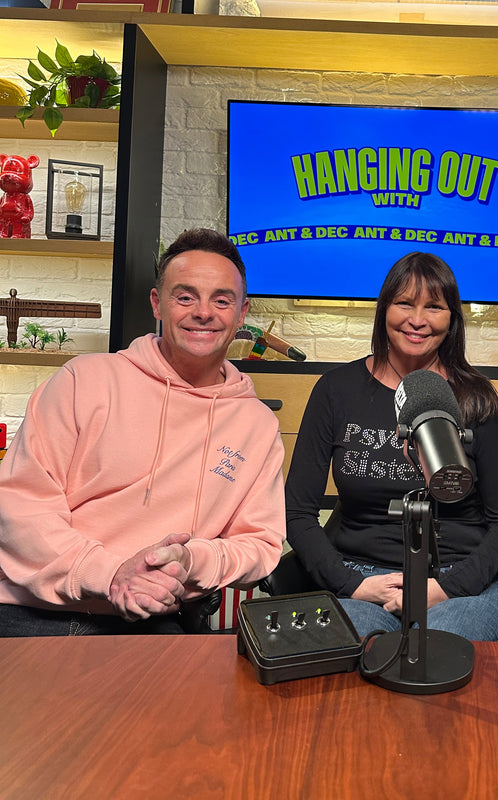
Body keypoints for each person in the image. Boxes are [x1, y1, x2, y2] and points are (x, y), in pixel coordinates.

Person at [0, 228, 286, 636]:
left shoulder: (256, 424)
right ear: (157, 303)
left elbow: (259, 544)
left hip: (157, 618)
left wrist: (189, 561)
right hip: (32, 611)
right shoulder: (84, 380)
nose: (203, 312)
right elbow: (19, 507)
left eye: (221, 300)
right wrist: (112, 572)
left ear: (241, 314)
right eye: (185, 297)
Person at [285, 251, 498, 641]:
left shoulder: (476, 398)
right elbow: (296, 512)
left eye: (434, 307)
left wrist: (444, 589)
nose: (418, 320)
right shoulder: (335, 391)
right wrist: (351, 584)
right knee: (358, 658)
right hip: (362, 580)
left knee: (439, 656)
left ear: (452, 319)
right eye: (404, 304)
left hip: (460, 582)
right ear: (384, 310)